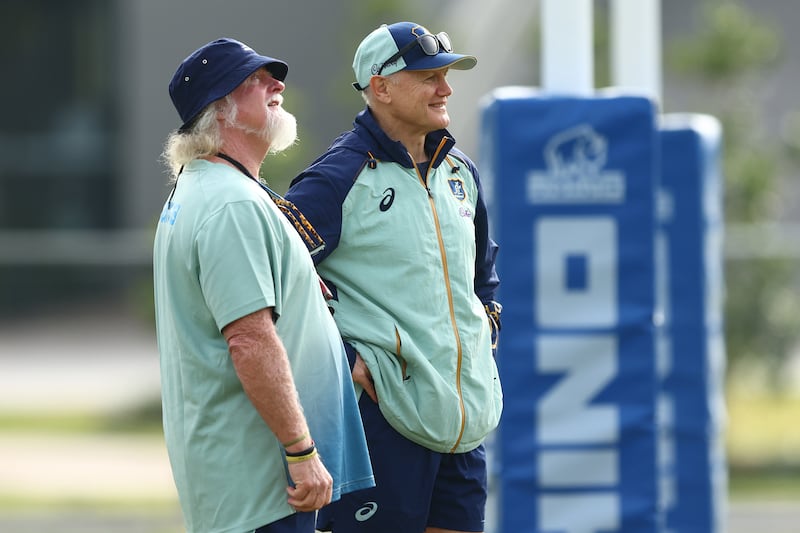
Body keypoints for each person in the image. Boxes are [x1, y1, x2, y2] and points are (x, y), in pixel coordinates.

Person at [284, 22, 503, 533]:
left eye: (446, 75)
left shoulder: (460, 172)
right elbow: (274, 285)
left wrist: (483, 338)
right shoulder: (335, 178)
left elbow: (483, 276)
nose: (445, 89)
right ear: (380, 86)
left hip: (462, 426)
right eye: (428, 76)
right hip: (380, 424)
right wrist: (343, 361)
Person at [153, 37, 374, 533]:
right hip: (261, 484)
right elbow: (249, 340)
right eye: (255, 80)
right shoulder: (230, 204)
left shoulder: (209, 188)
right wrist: (301, 450)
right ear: (220, 108)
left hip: (246, 479)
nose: (278, 84)